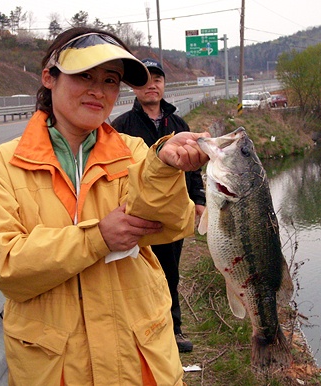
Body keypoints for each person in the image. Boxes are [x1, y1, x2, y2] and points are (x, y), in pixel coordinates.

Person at [0, 27, 210, 386]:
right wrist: (97, 237)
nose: (99, 91)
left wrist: (163, 167)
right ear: (49, 77)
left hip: (138, 358)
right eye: (84, 75)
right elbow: (7, 266)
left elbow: (174, 225)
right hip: (58, 367)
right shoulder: (4, 165)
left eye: (110, 80)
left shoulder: (133, 152)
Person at [112, 58, 206, 353]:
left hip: (175, 211)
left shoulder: (178, 124)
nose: (152, 85)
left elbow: (193, 170)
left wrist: (199, 201)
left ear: (164, 85)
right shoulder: (122, 126)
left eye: (158, 79)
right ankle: (141, 331)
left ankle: (173, 330)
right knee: (141, 275)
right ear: (134, 88)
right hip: (138, 213)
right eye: (146, 80)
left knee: (171, 272)